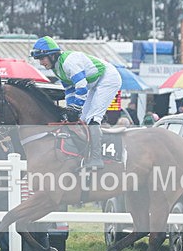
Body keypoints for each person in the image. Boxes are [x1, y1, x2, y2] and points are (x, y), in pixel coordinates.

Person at [30, 36, 122, 169]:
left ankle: (97, 158)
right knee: (82, 119)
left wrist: (76, 108)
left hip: (108, 78)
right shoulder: (57, 69)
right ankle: (84, 154)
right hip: (95, 83)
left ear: (52, 55)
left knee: (93, 118)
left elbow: (82, 87)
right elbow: (69, 91)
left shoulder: (68, 63)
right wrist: (70, 109)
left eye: (42, 58)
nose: (40, 62)